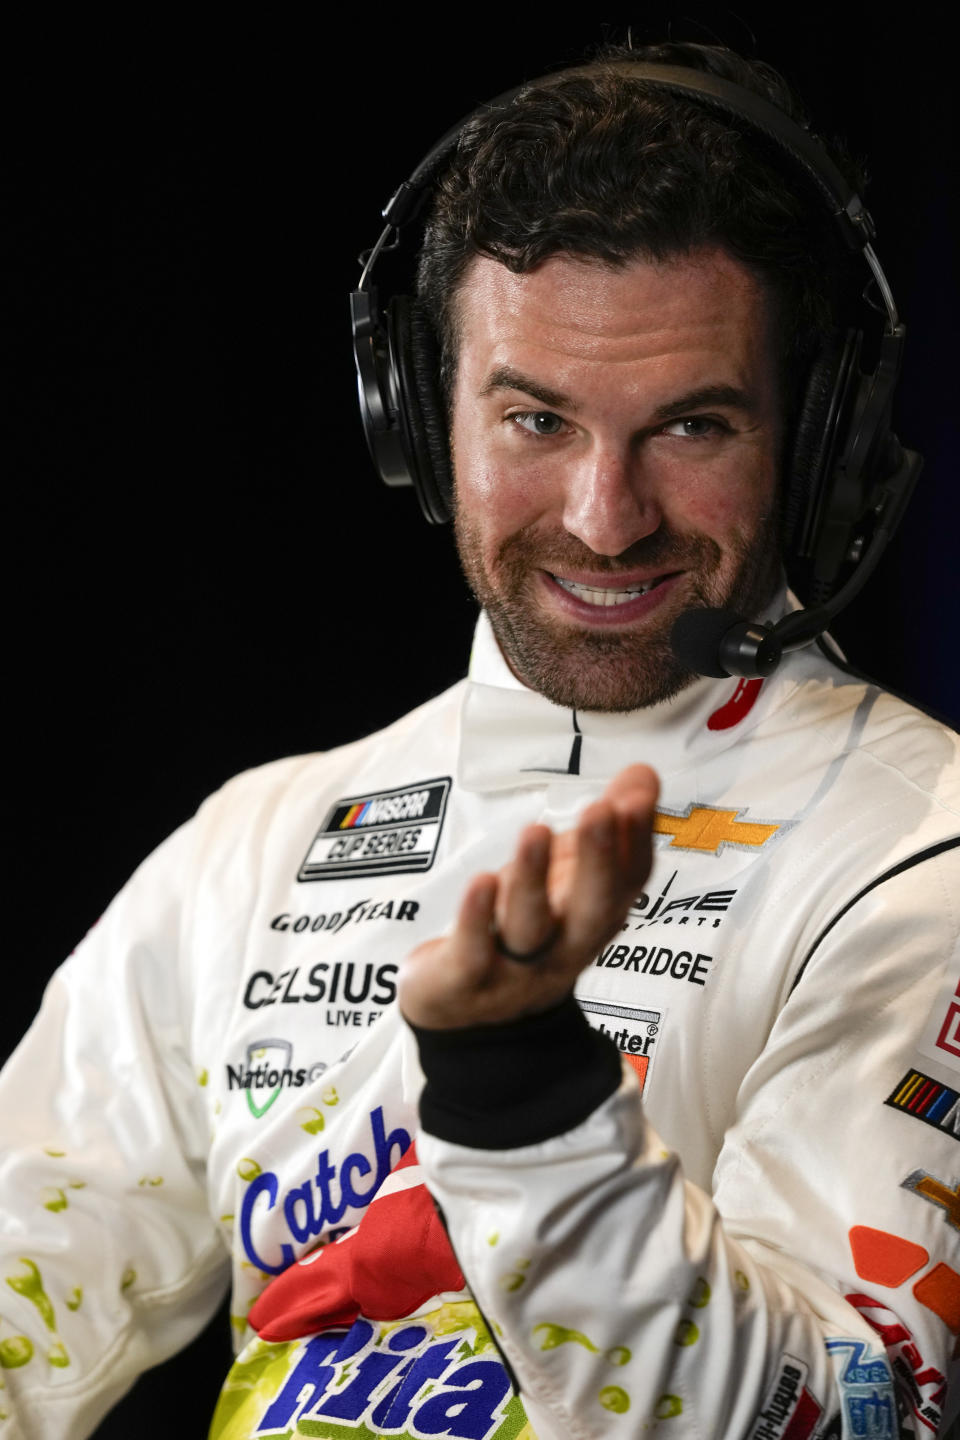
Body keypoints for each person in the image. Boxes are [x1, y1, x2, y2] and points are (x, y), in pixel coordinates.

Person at [1, 39, 958, 1440]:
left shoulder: (924, 859)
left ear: (821, 441)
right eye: (534, 419)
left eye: (693, 423)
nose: (603, 515)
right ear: (414, 417)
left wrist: (531, 1109)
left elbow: (851, 1416)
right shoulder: (260, 842)